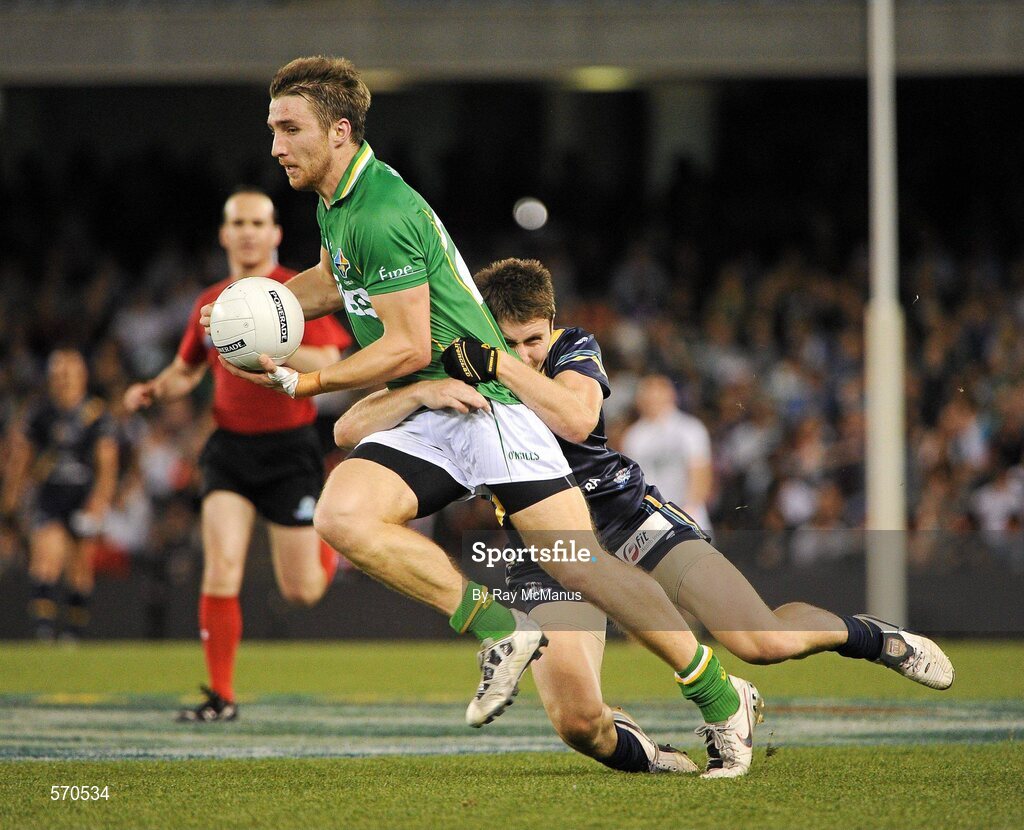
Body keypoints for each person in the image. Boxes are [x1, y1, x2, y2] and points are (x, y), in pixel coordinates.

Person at [207, 55, 761, 776]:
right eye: (273, 129)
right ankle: (502, 628)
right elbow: (337, 284)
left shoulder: (380, 210)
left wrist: (305, 380)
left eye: (290, 128)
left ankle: (723, 698)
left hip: (489, 405)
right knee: (341, 516)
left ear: (339, 131)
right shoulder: (337, 203)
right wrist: (261, 305)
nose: (276, 145)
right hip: (435, 406)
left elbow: (406, 346)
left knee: (584, 566)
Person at [334, 258, 956, 778]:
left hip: (624, 515)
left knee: (758, 640)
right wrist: (419, 390)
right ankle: (659, 760)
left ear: (551, 327)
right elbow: (347, 427)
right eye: (509, 340)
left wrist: (502, 367)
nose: (526, 349)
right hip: (548, 548)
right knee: (578, 722)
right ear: (485, 330)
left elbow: (577, 420)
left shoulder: (570, 348)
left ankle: (874, 637)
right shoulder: (458, 363)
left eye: (534, 338)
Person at [124, 188, 352, 722]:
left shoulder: (292, 293)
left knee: (302, 592)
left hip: (291, 449)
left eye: (259, 222)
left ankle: (329, 539)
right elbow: (187, 370)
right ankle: (221, 697)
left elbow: (331, 356)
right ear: (225, 234)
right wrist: (154, 390)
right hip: (229, 449)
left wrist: (268, 346)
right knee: (220, 568)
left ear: (274, 233)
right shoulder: (212, 302)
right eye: (238, 223)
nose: (248, 231)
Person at [1, 348, 119, 641]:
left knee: (80, 568)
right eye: (58, 374)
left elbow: (107, 463)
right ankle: (43, 632)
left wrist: (100, 500)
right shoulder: (40, 412)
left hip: (83, 496)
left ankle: (73, 634)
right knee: (46, 557)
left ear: (82, 376)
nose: (64, 380)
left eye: (69, 373)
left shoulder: (95, 415)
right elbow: (22, 458)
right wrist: (11, 498)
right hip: (49, 496)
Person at [622, 374, 714, 534]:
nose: (652, 400)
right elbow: (633, 483)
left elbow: (701, 475)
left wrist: (688, 511)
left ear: (671, 396)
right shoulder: (634, 436)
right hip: (651, 521)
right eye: (647, 395)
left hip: (689, 515)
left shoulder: (690, 429)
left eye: (657, 395)